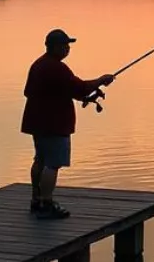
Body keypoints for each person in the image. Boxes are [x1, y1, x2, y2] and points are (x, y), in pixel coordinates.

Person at [21, 28, 114, 218]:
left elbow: (43, 91)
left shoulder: (38, 65)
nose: (68, 49)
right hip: (53, 124)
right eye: (65, 45)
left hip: (37, 123)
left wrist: (86, 93)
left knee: (40, 159)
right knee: (53, 164)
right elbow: (78, 88)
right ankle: (47, 203)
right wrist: (101, 80)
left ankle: (36, 200)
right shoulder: (56, 67)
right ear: (54, 47)